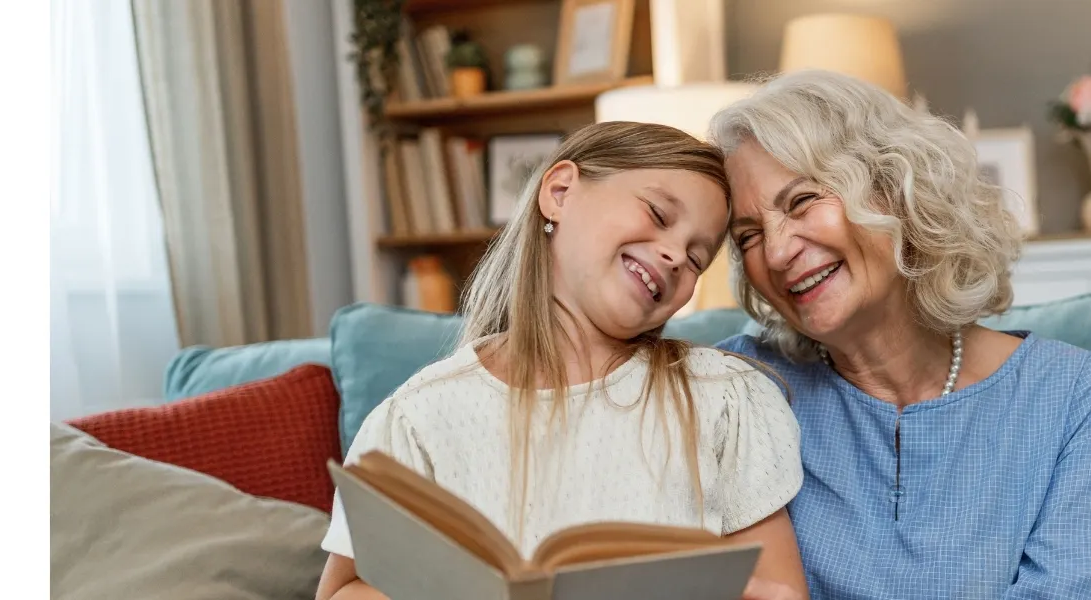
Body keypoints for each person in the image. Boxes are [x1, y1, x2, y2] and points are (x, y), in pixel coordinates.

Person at [315, 121, 809, 600]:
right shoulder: (418, 418)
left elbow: (779, 589)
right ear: (560, 191)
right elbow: (347, 589)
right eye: (659, 215)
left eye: (698, 257)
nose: (678, 257)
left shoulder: (722, 398)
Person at [711, 69, 1091, 599]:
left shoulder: (1071, 398)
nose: (776, 254)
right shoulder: (735, 389)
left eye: (801, 202)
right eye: (748, 236)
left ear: (896, 188)